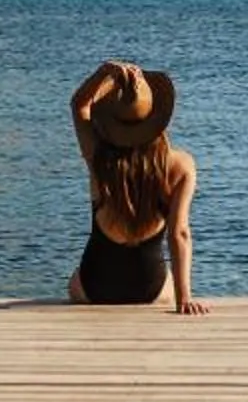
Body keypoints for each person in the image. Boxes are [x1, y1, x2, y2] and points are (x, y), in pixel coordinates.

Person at [67, 59, 207, 312]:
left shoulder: (98, 155)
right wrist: (183, 298)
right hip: (149, 289)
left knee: (73, 280)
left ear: (110, 116)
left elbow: (79, 106)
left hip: (94, 289)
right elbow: (180, 233)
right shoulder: (181, 166)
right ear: (158, 118)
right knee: (165, 282)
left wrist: (103, 72)